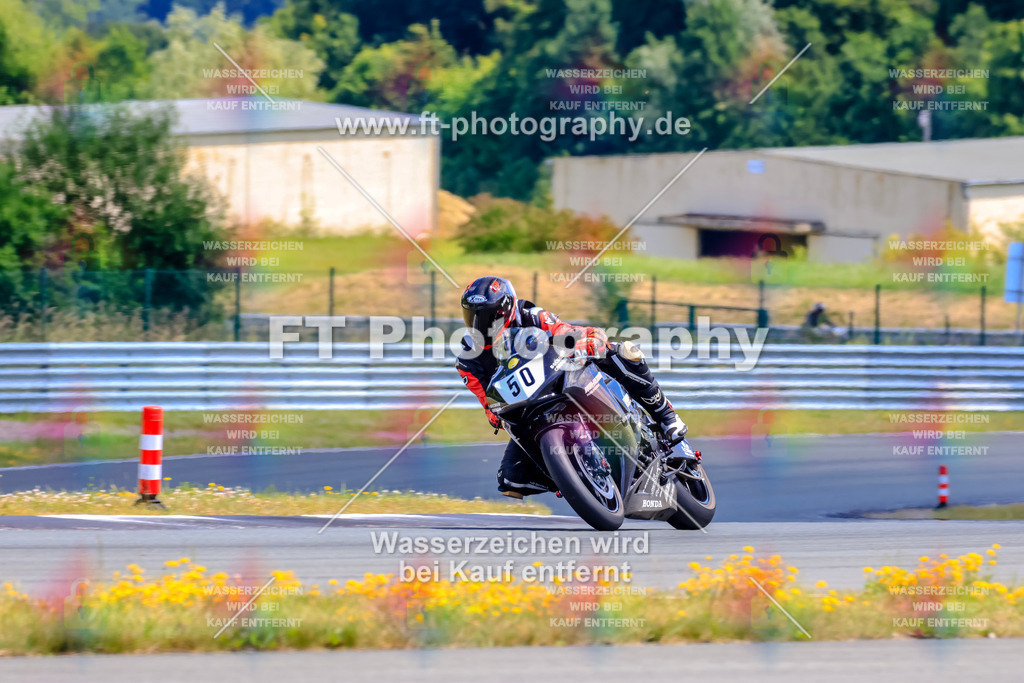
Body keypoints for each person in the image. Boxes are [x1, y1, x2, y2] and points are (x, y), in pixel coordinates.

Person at [456, 276, 688, 499]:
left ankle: (666, 415)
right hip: (528, 409)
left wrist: (587, 338)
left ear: (506, 311)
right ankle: (574, 478)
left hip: (562, 378)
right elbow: (488, 403)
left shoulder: (531, 316)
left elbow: (566, 331)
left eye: (487, 317)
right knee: (511, 480)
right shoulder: (468, 359)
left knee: (620, 351)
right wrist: (495, 413)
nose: (479, 325)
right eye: (472, 317)